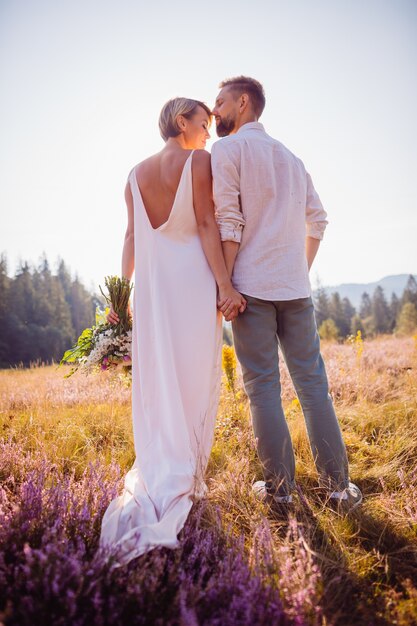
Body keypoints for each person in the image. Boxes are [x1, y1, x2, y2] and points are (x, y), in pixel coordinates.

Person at [100, 97, 246, 565]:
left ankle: (168, 465)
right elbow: (206, 221)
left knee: (159, 380)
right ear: (181, 122)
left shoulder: (133, 175)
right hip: (193, 285)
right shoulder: (199, 160)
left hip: (153, 292)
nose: (207, 133)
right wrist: (225, 284)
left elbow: (129, 238)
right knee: (194, 378)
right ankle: (188, 474)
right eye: (203, 124)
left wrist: (120, 301)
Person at [211, 76, 362, 514]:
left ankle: (279, 492)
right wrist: (298, 269)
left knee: (262, 390)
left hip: (249, 291)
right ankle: (339, 490)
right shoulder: (293, 159)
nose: (215, 111)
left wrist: (226, 284)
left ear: (244, 102)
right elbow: (318, 221)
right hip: (296, 289)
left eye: (220, 103)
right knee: (315, 389)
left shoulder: (226, 150)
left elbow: (228, 221)